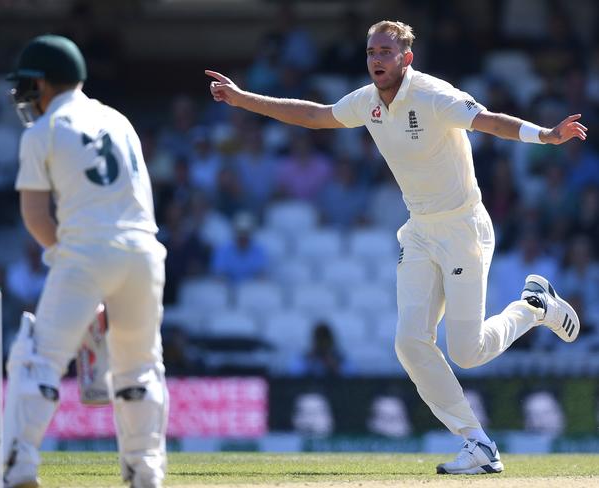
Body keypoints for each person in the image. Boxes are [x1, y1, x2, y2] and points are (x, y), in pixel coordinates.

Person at [206, 20, 586, 475]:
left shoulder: (432, 94)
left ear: (406, 58)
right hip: (420, 232)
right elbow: (314, 115)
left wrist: (544, 135)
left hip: (464, 228)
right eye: (371, 52)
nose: (376, 59)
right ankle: (477, 443)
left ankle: (534, 307)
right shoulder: (367, 102)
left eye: (386, 52)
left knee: (467, 352)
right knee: (409, 342)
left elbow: (487, 121)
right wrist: (243, 98)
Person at [4, 35, 168, 488]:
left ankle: (18, 468)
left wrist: (73, 269)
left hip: (84, 250)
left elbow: (36, 215)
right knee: (139, 367)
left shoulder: (43, 131)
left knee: (38, 358)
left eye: (26, 86)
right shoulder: (119, 120)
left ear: (41, 82)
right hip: (144, 253)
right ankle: (145, 472)